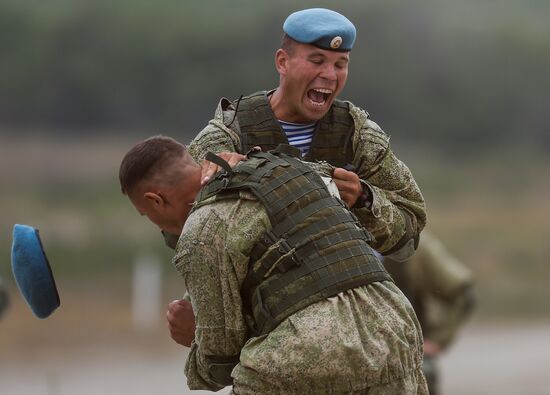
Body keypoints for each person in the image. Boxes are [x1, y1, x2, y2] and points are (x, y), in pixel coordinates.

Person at [119, 135, 428, 394]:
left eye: (146, 214)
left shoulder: (201, 232)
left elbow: (218, 363)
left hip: (302, 355)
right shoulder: (293, 169)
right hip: (396, 331)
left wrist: (196, 336)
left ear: (155, 200)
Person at [182, 7, 426, 262]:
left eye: (340, 64)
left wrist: (364, 199)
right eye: (317, 61)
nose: (330, 75)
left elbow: (409, 236)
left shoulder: (358, 135)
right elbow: (177, 224)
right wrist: (219, 179)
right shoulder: (232, 130)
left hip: (345, 287)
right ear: (282, 62)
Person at [382, 231, 476, 395]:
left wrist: (437, 340)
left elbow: (462, 294)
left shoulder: (412, 246)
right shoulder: (333, 239)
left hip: (408, 364)